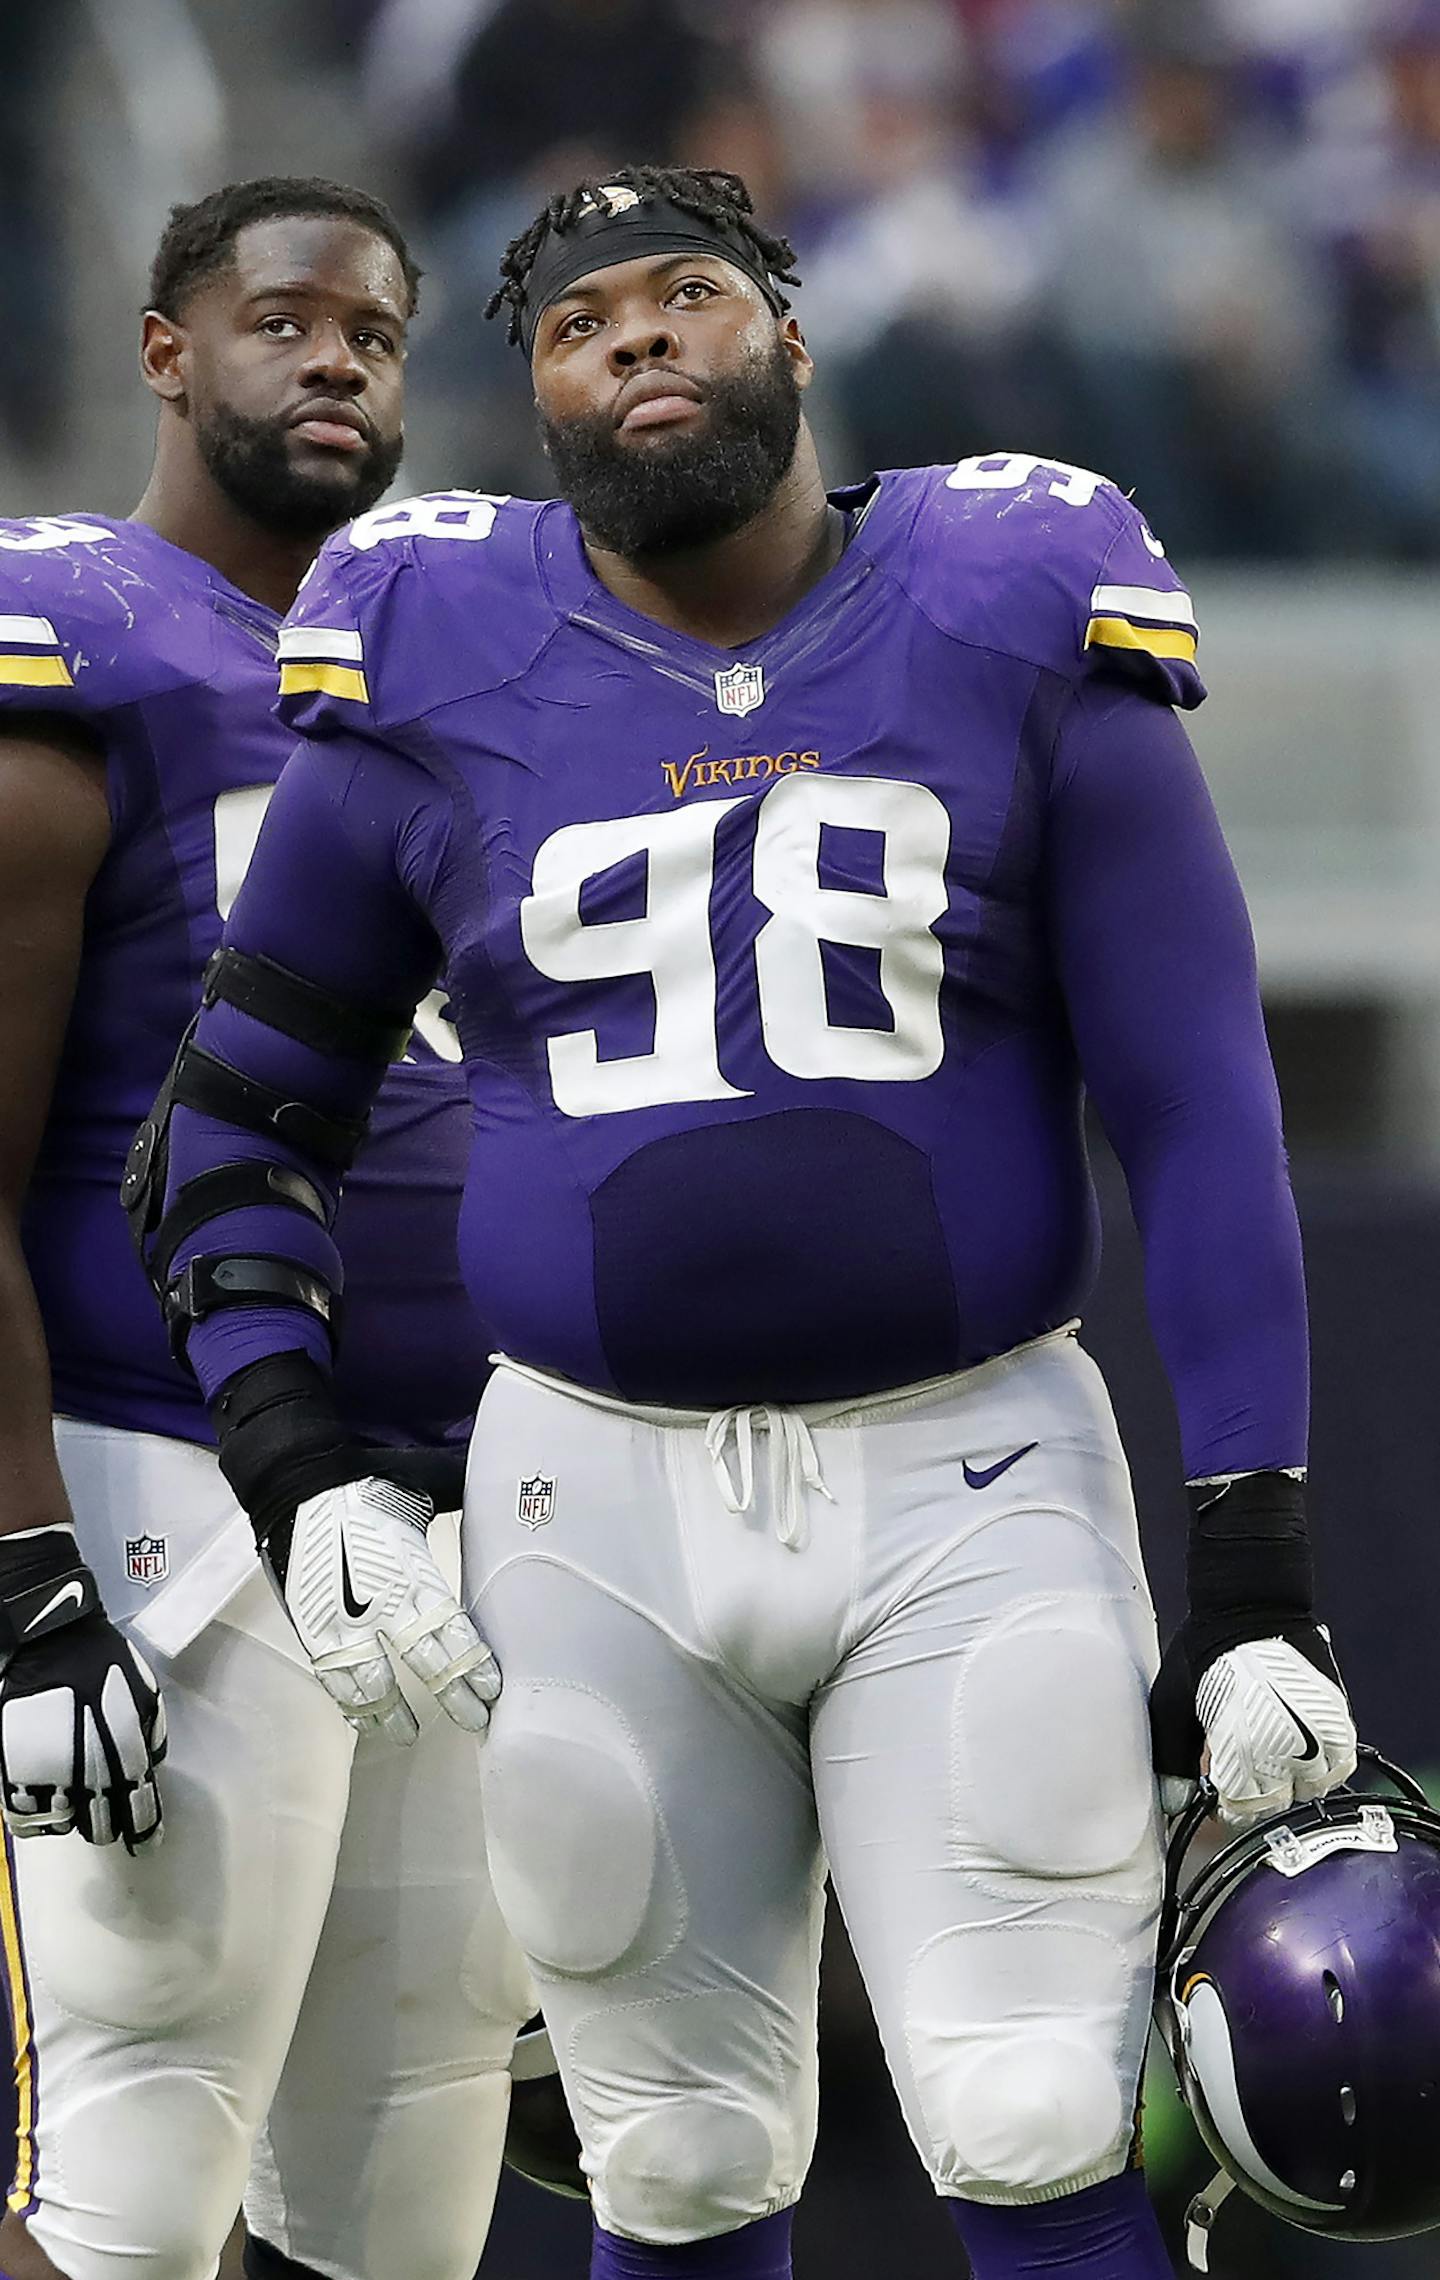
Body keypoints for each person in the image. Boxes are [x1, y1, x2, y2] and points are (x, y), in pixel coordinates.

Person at [149, 165, 1359, 2280]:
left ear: (790, 339)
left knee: (1029, 2107)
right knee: (679, 2158)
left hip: (963, 1470)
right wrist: (297, 1459)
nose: (636, 339)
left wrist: (1257, 1553)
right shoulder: (433, 645)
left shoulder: (1008, 592)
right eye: (576, 321)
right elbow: (234, 1120)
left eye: (687, 293)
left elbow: (1200, 1106)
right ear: (531, 396)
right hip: (588, 1497)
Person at [0, 176, 535, 2280]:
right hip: (163, 1480)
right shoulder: (86, 638)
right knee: (133, 2169)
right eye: (284, 320)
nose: (335, 361)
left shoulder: (438, 674)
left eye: (378, 337)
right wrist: (27, 1555)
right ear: (163, 351)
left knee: (403, 2186)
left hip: (439, 1508)